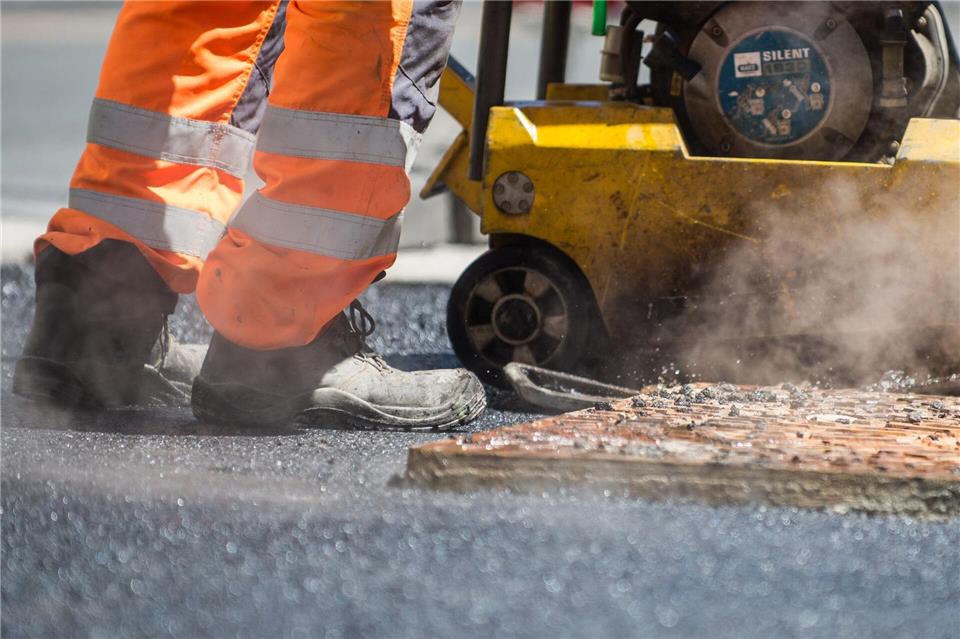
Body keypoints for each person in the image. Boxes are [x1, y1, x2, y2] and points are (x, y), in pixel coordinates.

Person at [13, 0, 487, 430]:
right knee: (367, 11)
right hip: (280, 336)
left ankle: (99, 314)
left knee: (212, 10)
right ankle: (280, 329)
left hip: (83, 301)